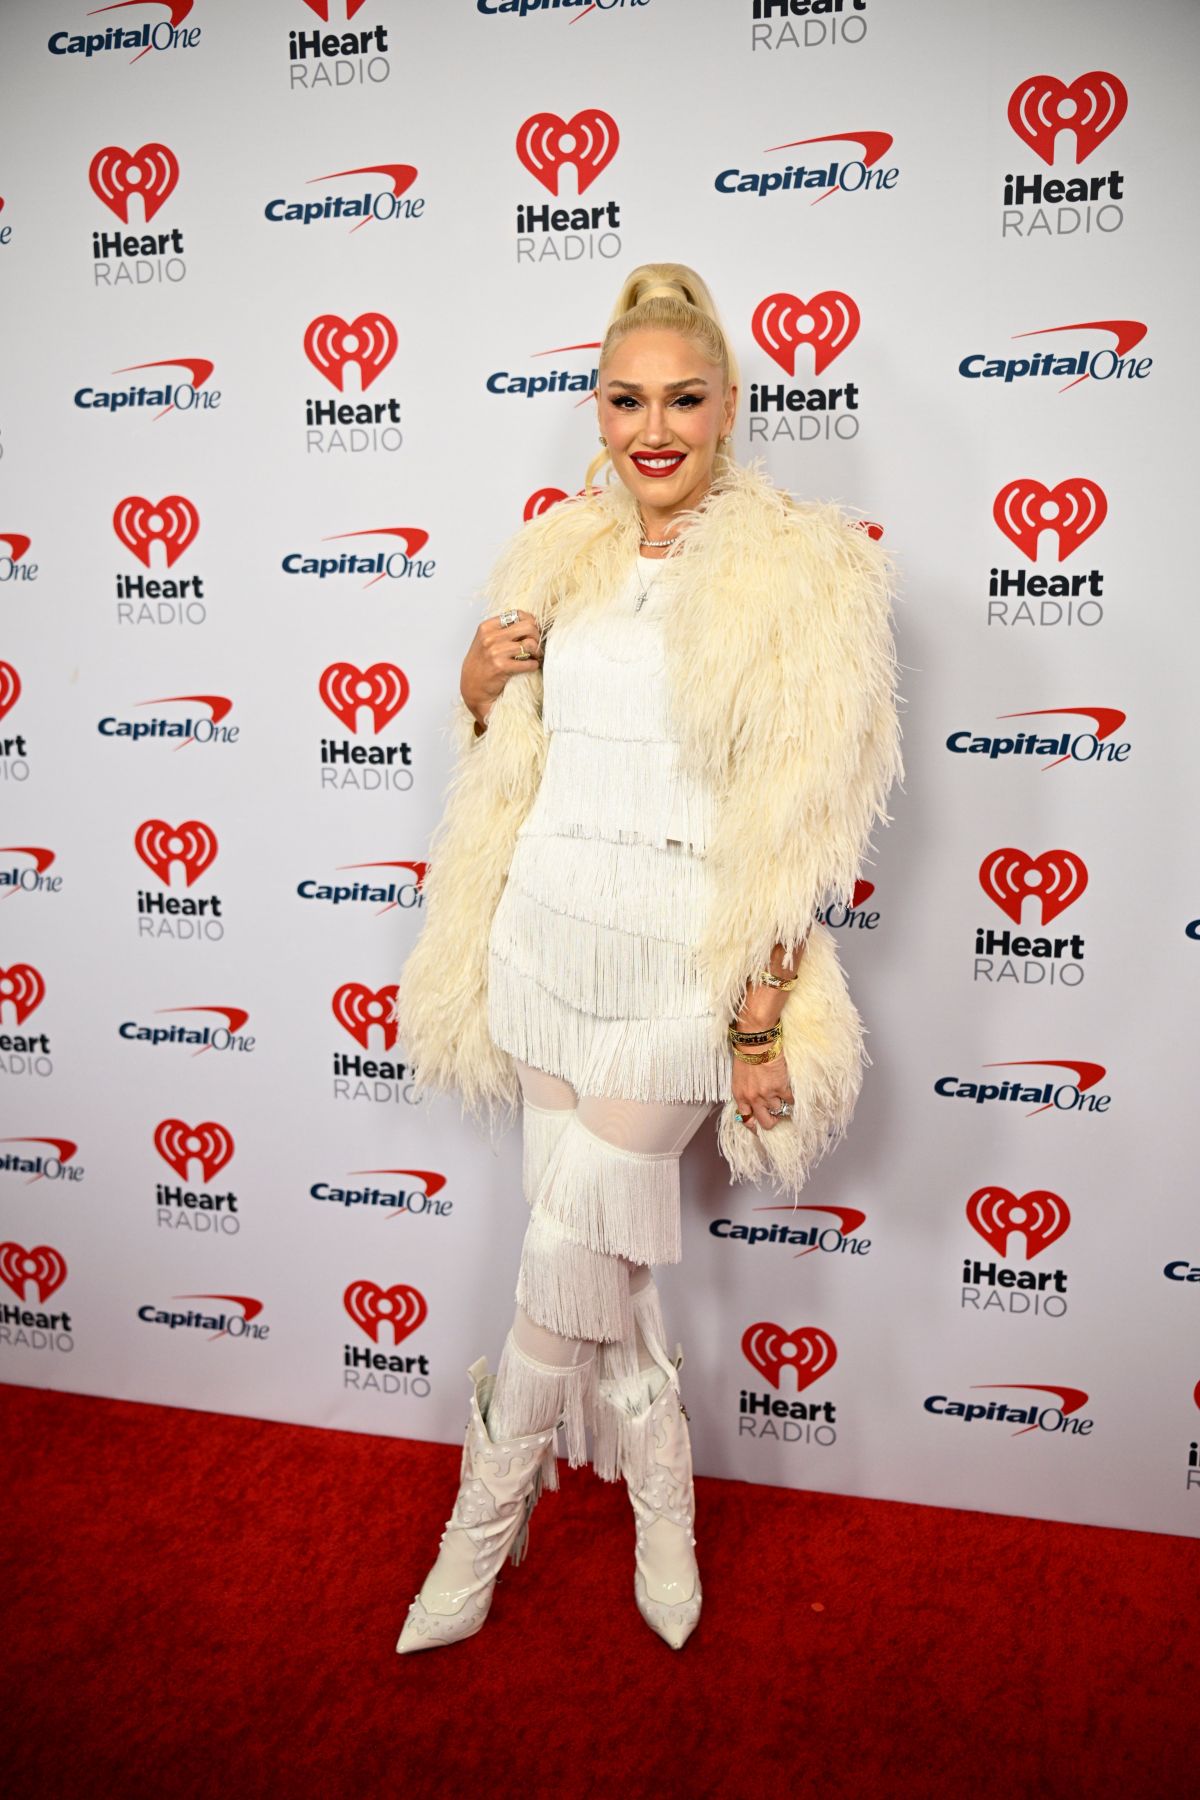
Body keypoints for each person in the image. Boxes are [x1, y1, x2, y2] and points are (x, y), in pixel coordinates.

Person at [391, 263, 902, 1654]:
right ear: (598, 409)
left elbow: (802, 819)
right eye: (627, 399)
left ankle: (475, 1539)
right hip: (547, 940)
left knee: (565, 1252)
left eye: (684, 397)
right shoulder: (559, 553)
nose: (654, 427)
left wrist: (756, 1013)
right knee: (604, 1261)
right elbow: (512, 759)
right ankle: (662, 1499)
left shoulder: (806, 567)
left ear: (731, 405)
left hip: (681, 963)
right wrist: (480, 688)